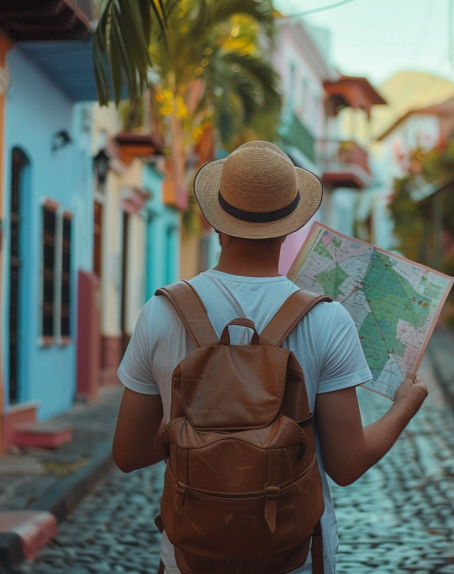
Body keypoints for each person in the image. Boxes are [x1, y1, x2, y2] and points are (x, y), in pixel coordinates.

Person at [112, 141, 429, 574]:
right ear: (288, 227)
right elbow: (346, 464)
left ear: (216, 222)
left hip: (189, 559)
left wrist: (190, 431)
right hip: (296, 559)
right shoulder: (327, 320)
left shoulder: (162, 312)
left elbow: (128, 453)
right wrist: (405, 405)